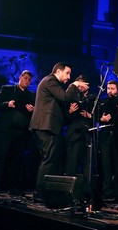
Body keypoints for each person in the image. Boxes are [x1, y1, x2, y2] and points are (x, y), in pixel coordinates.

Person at [29, 62, 89, 201]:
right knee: (49, 159)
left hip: (50, 127)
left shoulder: (54, 84)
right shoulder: (50, 80)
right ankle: (40, 193)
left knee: (51, 159)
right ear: (58, 71)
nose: (69, 76)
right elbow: (65, 97)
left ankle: (46, 191)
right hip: (45, 126)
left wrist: (68, 112)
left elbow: (59, 106)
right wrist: (74, 85)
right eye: (67, 73)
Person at [0, 70, 36, 196]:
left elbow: (34, 112)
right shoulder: (7, 89)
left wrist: (31, 110)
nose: (27, 81)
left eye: (29, 80)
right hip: (5, 130)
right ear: (20, 77)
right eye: (25, 78)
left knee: (16, 160)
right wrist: (7, 104)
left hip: (21, 132)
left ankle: (13, 187)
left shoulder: (31, 95)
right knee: (1, 157)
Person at [98, 80, 118, 203]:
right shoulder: (103, 102)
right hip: (106, 136)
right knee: (106, 166)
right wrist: (101, 119)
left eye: (112, 88)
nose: (110, 91)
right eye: (108, 88)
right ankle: (107, 192)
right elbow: (98, 116)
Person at [64, 74, 95, 176]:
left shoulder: (93, 99)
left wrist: (89, 115)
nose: (80, 87)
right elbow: (64, 117)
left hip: (87, 133)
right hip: (73, 132)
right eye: (79, 85)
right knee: (72, 159)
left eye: (82, 85)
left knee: (86, 160)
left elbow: (98, 117)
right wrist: (69, 111)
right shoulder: (70, 98)